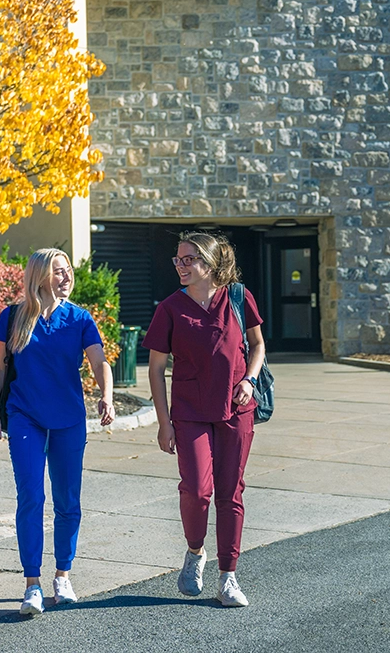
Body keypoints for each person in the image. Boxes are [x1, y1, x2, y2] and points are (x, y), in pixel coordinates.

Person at [0, 248, 117, 616]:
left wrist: (106, 396)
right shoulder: (13, 317)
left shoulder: (79, 319)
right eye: (58, 271)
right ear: (40, 275)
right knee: (31, 496)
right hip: (25, 415)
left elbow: (99, 362)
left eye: (68, 270)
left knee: (68, 501)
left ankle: (62, 575)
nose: (66, 276)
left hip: (68, 420)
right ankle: (32, 584)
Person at [141, 231, 266, 608]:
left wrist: (250, 379)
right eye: (177, 259)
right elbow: (156, 369)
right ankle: (195, 552)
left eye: (189, 259)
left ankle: (228, 577)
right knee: (196, 490)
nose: (181, 265)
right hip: (190, 412)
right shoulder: (169, 308)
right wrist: (164, 422)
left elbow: (257, 345)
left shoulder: (239, 298)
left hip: (235, 409)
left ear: (210, 264)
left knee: (231, 493)